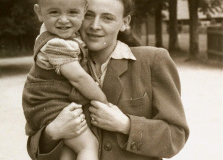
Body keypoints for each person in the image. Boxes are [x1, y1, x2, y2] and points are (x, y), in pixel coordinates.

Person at [25, 0, 190, 159]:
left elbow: (175, 137)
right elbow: (35, 147)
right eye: (89, 15)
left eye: (107, 18)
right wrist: (52, 132)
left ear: (125, 22)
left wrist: (126, 125)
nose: (95, 26)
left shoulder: (152, 60)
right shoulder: (54, 63)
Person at [22, 0, 109, 159]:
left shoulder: (53, 33)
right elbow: (78, 78)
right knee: (89, 145)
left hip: (47, 103)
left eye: (72, 12)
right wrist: (103, 100)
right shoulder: (56, 44)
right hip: (49, 104)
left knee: (68, 151)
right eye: (54, 12)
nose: (63, 20)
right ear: (40, 13)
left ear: (84, 11)